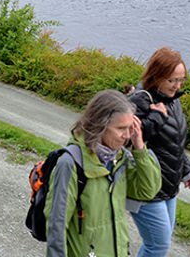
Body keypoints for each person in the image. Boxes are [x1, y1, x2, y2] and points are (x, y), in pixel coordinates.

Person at [45, 89, 161, 257]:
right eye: (121, 128)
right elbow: (56, 226)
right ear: (100, 125)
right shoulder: (71, 163)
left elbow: (147, 190)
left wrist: (140, 148)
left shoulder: (120, 159)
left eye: (130, 128)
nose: (127, 136)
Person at [128, 47, 190, 257]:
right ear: (156, 76)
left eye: (181, 80)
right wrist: (156, 118)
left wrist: (186, 170)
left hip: (168, 184)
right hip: (145, 186)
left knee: (159, 243)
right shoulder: (139, 100)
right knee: (157, 245)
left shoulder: (172, 100)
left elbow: (174, 141)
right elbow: (127, 137)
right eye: (172, 80)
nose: (177, 86)